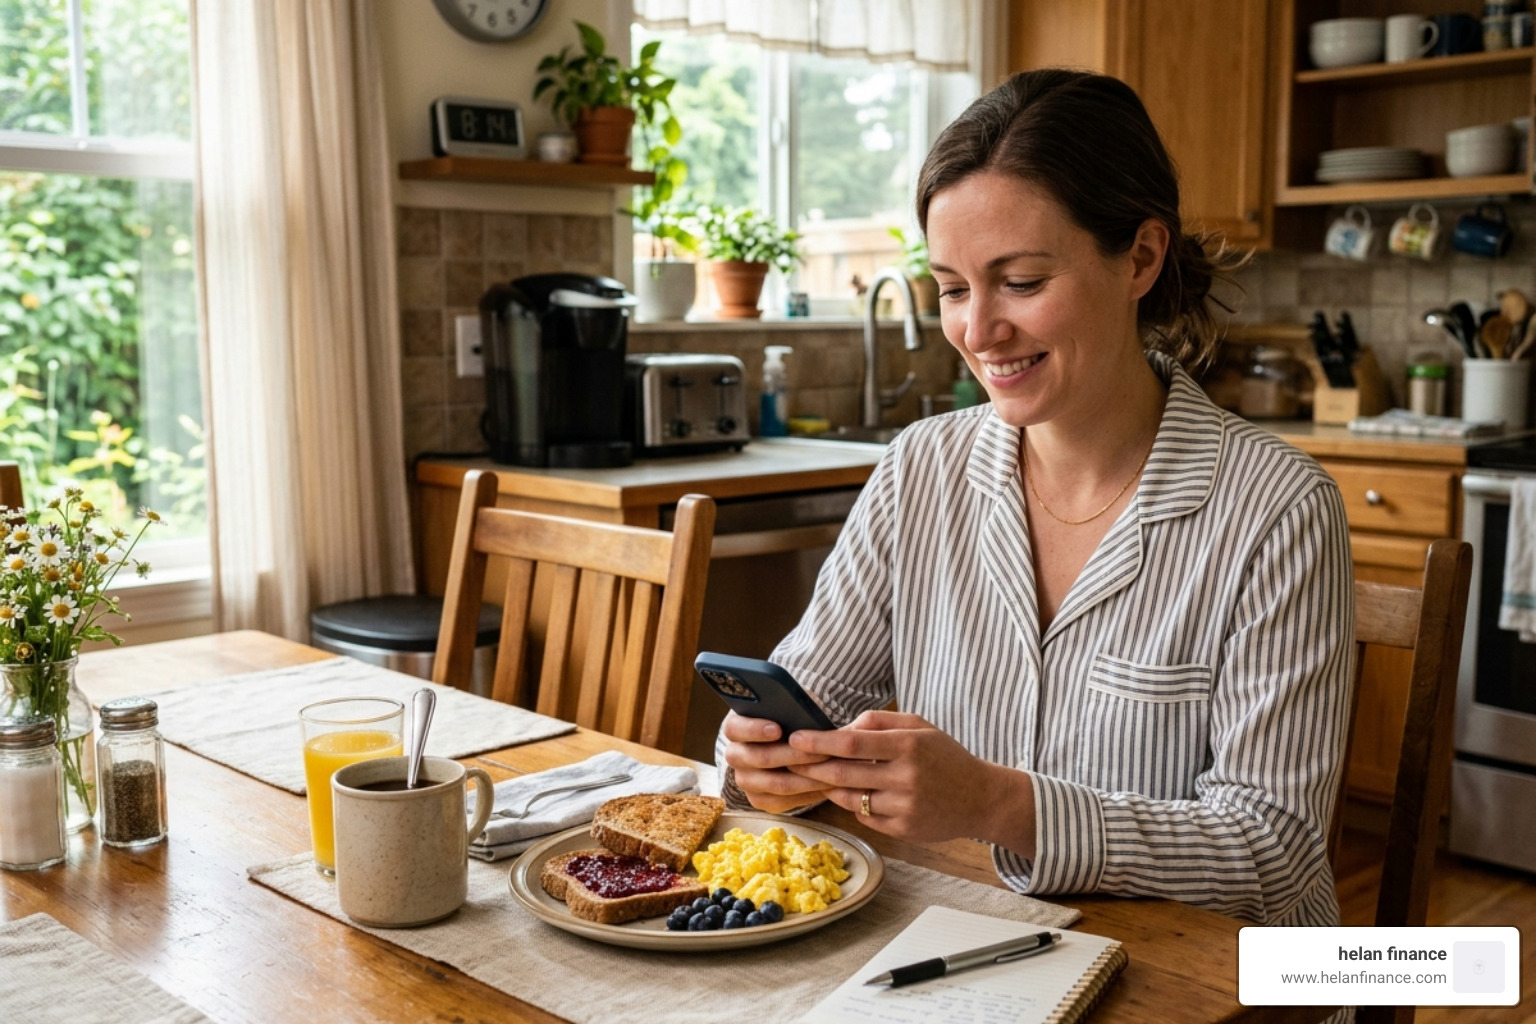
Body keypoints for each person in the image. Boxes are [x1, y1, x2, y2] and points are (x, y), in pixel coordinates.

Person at [718, 68, 1355, 929]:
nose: (978, 332)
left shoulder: (1276, 509)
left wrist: (1000, 805)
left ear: (1139, 256)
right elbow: (810, 695)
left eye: (1019, 282)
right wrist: (760, 755)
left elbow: (1272, 855)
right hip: (965, 940)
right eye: (951, 288)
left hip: (1223, 985)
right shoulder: (919, 470)